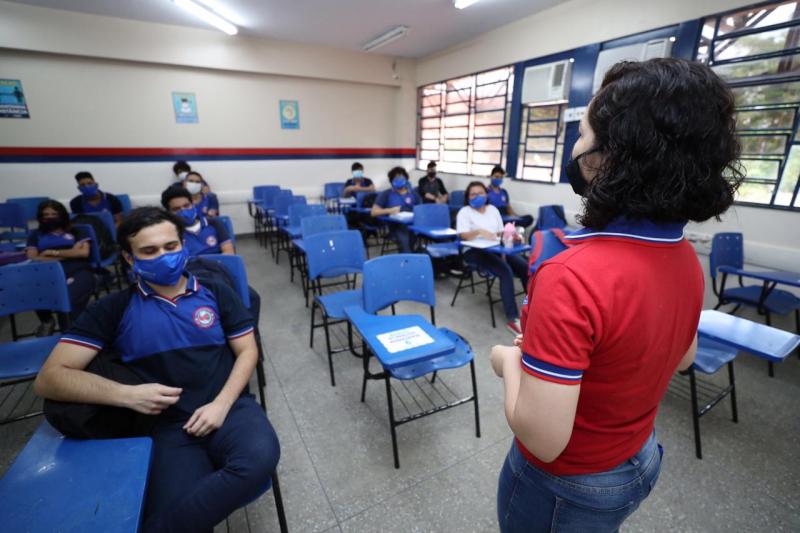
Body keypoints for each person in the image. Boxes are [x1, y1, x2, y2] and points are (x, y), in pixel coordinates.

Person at [491, 58, 742, 532]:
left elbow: (543, 440)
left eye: (582, 134)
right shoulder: (683, 255)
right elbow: (684, 357)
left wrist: (510, 361)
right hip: (638, 460)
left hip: (568, 485)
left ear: (608, 158)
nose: (576, 146)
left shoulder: (569, 273)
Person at [34, 207, 280, 532]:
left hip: (230, 408)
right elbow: (49, 378)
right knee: (178, 505)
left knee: (259, 458)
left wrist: (221, 405)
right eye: (149, 251)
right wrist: (125, 394)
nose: (163, 256)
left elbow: (248, 350)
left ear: (183, 246)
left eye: (170, 246)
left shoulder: (216, 291)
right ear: (129, 258)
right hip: (169, 426)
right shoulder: (113, 308)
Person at [456, 182, 528, 335]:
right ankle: (513, 319)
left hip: (496, 248)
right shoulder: (464, 212)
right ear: (467, 197)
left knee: (525, 267)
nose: (477, 196)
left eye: (480, 193)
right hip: (474, 251)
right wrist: (479, 231)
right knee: (505, 271)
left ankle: (532, 308)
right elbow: (463, 235)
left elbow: (501, 232)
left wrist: (512, 235)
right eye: (473, 194)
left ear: (486, 195)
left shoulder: (493, 210)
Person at [25, 200, 97, 336]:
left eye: (54, 214)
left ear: (62, 215)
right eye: (46, 215)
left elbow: (83, 253)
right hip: (46, 272)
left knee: (69, 299)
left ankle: (69, 332)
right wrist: (70, 253)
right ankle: (47, 321)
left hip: (78, 269)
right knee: (33, 289)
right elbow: (33, 258)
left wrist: (51, 253)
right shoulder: (35, 234)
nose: (50, 217)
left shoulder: (76, 231)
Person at [161, 187, 232, 256]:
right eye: (176, 209)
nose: (183, 211)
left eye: (186, 206)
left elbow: (229, 253)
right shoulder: (171, 233)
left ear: (193, 204)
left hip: (219, 263)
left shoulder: (215, 224)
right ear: (169, 213)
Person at [370, 166, 421, 253]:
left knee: (415, 243)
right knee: (405, 245)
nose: (399, 180)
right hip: (396, 226)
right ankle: (407, 258)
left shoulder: (413, 194)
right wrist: (389, 210)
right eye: (396, 178)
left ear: (406, 179)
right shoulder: (386, 194)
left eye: (401, 178)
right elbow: (373, 212)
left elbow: (421, 209)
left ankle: (410, 257)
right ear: (391, 181)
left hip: (413, 225)